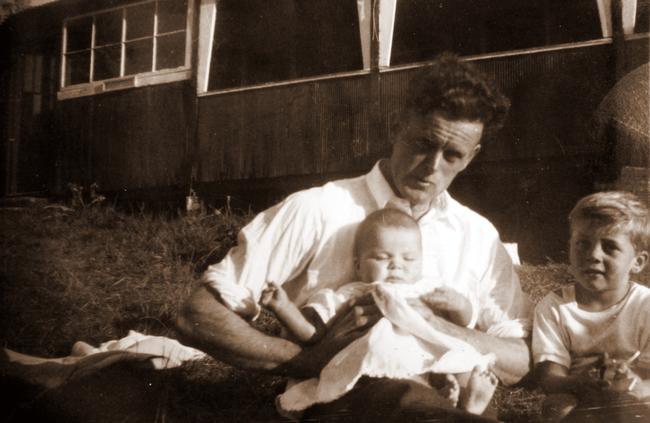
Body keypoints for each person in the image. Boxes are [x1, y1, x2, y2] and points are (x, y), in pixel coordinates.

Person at [176, 53, 532, 421]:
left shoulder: (476, 236)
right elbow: (197, 315)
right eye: (424, 143)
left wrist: (428, 323)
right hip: (349, 403)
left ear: (471, 158)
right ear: (397, 127)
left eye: (452, 155)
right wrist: (309, 360)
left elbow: (519, 359)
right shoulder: (319, 209)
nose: (432, 167)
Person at [261, 208, 498, 417]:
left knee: (464, 363)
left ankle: (466, 406)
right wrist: (284, 308)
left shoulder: (424, 289)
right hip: (377, 362)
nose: (397, 265)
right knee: (397, 384)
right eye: (382, 257)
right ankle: (457, 409)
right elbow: (311, 333)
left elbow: (464, 323)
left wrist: (459, 305)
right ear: (358, 266)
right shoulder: (350, 293)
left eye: (409, 258)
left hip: (430, 359)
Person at [532, 191, 650, 421]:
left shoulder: (645, 305)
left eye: (610, 247)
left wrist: (628, 382)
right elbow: (549, 375)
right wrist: (577, 383)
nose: (593, 255)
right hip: (579, 393)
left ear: (637, 262)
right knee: (557, 406)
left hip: (634, 392)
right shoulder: (555, 307)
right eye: (583, 244)